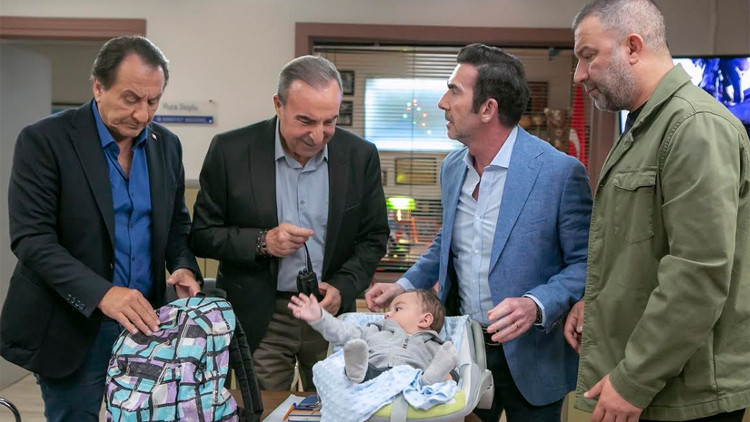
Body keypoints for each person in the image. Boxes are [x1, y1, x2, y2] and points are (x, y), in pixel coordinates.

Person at [366, 43, 593, 422]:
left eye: (454, 92)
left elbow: (585, 264)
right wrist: (403, 286)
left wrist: (536, 304)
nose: (443, 103)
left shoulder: (559, 172)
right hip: (461, 349)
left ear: (488, 108)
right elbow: (448, 243)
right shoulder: (452, 167)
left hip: (533, 357)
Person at [565, 1, 750, 421]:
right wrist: (595, 305)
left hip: (684, 395)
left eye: (588, 56)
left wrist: (634, 379)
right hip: (659, 381)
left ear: (632, 47)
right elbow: (638, 252)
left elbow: (698, 274)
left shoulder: (694, 126)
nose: (579, 74)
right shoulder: (645, 126)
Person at [0, 36, 202, 421]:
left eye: (153, 101)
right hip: (73, 327)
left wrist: (183, 266)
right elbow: (32, 240)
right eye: (130, 99)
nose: (142, 114)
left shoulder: (166, 145)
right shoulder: (45, 141)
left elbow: (177, 224)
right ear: (98, 86)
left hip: (147, 326)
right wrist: (102, 294)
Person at [190, 55, 389, 391]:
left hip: (330, 314)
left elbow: (374, 237)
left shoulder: (360, 155)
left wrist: (342, 287)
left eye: (329, 122)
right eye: (305, 121)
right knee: (265, 408)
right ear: (278, 105)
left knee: (337, 405)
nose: (317, 135)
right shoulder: (230, 151)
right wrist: (263, 242)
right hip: (262, 315)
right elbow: (202, 234)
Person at [289, 289, 458, 385]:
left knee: (439, 373)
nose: (387, 315)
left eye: (397, 309)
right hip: (373, 377)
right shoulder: (373, 331)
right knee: (360, 362)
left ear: (425, 320)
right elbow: (341, 331)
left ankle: (429, 381)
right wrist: (320, 317)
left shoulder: (435, 345)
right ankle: (358, 372)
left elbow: (451, 372)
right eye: (389, 310)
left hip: (414, 380)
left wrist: (449, 376)